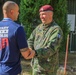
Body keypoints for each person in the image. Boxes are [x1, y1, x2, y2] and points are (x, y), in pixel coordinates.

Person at [0, 1, 35, 75]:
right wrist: (33, 51)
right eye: (18, 11)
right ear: (12, 11)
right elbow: (26, 55)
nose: (18, 13)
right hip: (12, 71)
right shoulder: (18, 28)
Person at [28, 5, 63, 75]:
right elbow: (30, 40)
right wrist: (30, 49)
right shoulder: (38, 28)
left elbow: (51, 48)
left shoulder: (56, 30)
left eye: (43, 14)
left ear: (51, 14)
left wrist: (35, 53)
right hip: (36, 67)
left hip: (48, 69)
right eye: (40, 15)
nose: (41, 17)